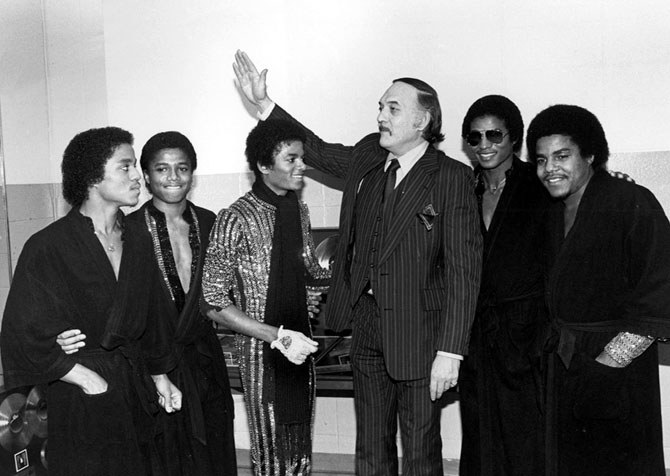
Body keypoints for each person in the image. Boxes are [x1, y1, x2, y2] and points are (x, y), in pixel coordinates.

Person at [233, 50, 482, 476]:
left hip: (421, 336)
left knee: (421, 450)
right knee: (370, 446)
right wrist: (266, 105)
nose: (381, 116)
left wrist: (450, 351)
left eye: (393, 108)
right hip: (366, 327)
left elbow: (465, 272)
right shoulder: (369, 153)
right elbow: (318, 150)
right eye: (381, 107)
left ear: (422, 120)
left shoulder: (451, 178)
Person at [0, 127, 181, 476]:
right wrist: (83, 377)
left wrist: (160, 376)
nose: (137, 176)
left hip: (134, 389)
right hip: (80, 397)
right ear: (93, 178)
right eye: (125, 166)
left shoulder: (138, 239)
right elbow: (20, 334)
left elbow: (155, 314)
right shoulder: (48, 246)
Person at [57, 131, 238, 475]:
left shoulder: (210, 223)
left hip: (204, 357)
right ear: (148, 174)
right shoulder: (131, 229)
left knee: (215, 451)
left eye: (182, 168)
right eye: (161, 169)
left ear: (193, 173)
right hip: (153, 360)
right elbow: (101, 301)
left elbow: (228, 289)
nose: (173, 177)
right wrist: (60, 335)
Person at [525, 104, 670, 476]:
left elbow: (664, 286)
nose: (550, 168)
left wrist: (610, 362)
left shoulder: (631, 200)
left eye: (562, 156)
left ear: (590, 155)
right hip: (564, 362)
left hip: (616, 368)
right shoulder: (551, 210)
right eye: (542, 160)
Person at [201, 119, 330, 476]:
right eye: (291, 159)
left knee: (300, 449)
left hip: (301, 346)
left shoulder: (298, 210)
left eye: (302, 158)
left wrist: (341, 279)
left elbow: (309, 270)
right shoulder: (234, 218)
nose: (301, 166)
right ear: (263, 165)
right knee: (271, 454)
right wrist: (277, 336)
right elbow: (212, 301)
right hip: (262, 355)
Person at [457, 95, 548, 476]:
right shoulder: (463, 189)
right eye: (474, 137)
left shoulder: (539, 184)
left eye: (494, 134)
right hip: (476, 332)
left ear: (514, 138)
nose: (484, 145)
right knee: (479, 433)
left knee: (526, 435)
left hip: (528, 333)